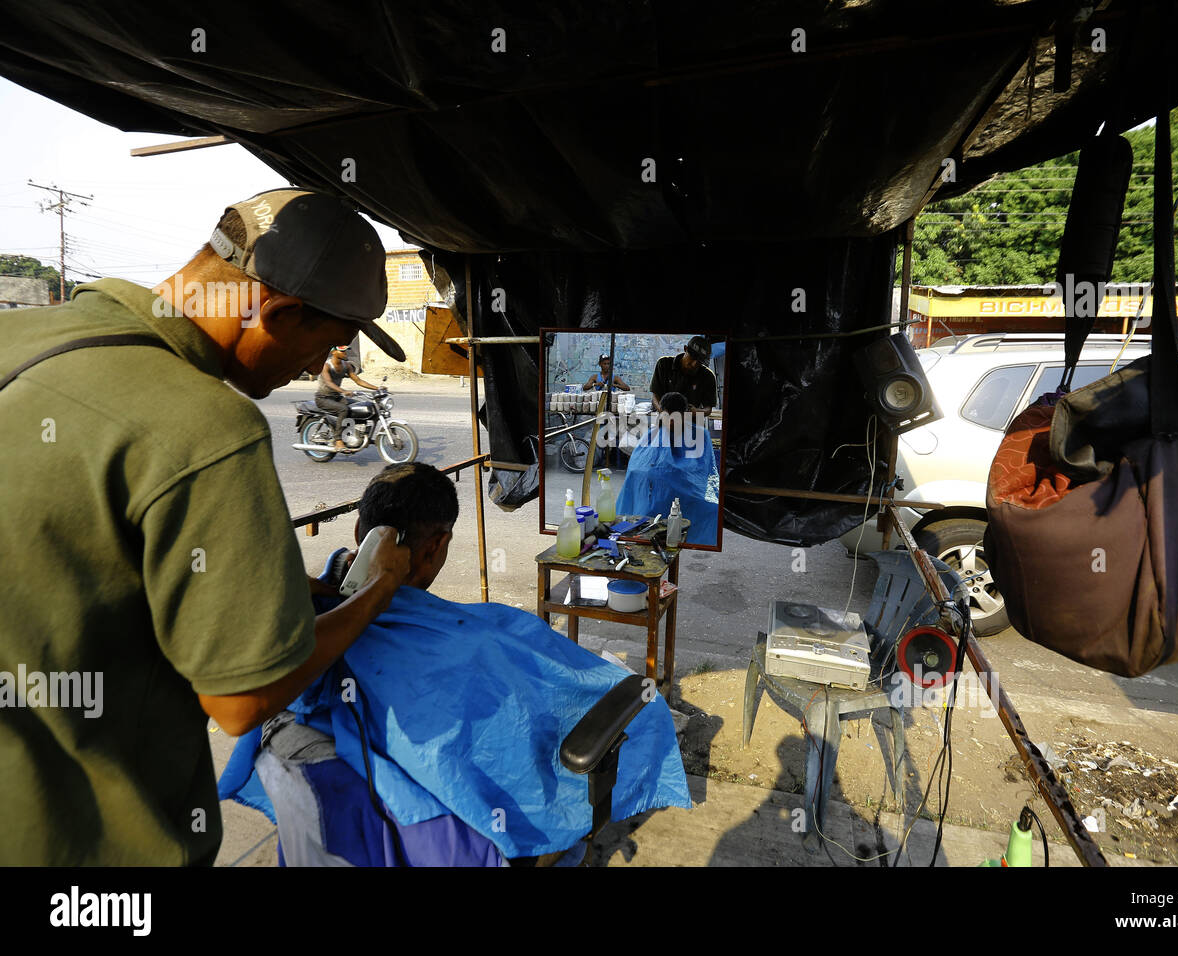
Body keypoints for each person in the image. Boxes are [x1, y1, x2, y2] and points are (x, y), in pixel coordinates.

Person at [0, 188, 413, 865]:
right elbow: (241, 701)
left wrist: (274, 586)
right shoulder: (207, 428)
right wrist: (379, 591)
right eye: (326, 347)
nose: (317, 369)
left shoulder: (21, 336)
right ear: (277, 313)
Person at [220, 462, 690, 865]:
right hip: (472, 808)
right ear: (435, 547)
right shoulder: (472, 636)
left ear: (361, 535)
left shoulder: (316, 613)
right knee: (628, 707)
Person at [615, 392, 720, 545]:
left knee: (711, 508)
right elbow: (636, 467)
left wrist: (677, 473)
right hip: (657, 490)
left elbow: (707, 470)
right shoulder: (652, 434)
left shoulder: (701, 435)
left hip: (689, 488)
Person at [315, 344, 382, 450]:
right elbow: (328, 382)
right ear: (334, 352)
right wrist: (344, 391)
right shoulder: (326, 365)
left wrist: (377, 388)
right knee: (343, 409)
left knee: (359, 407)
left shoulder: (346, 365)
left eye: (346, 351)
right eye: (343, 351)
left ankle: (356, 434)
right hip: (323, 398)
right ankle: (338, 440)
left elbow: (358, 381)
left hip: (336, 397)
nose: (345, 354)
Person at [650, 334, 717, 417]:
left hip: (692, 422)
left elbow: (708, 409)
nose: (694, 364)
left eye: (699, 362)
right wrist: (662, 410)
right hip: (665, 420)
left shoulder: (708, 376)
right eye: (692, 358)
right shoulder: (664, 364)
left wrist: (696, 412)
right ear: (685, 349)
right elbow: (655, 396)